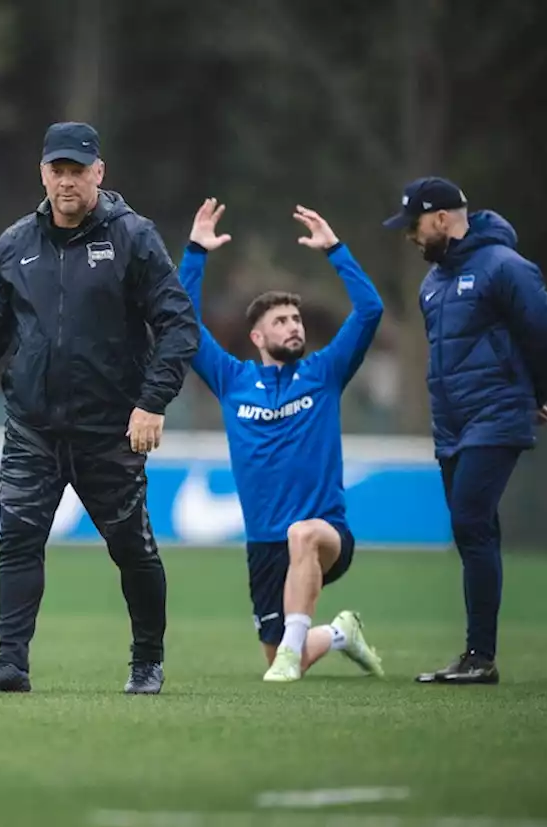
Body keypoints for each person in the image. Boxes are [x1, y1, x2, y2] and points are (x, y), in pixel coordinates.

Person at [0, 121, 200, 695]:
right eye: (58, 169)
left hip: (111, 432)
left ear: (99, 172)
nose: (68, 180)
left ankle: (146, 661)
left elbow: (178, 324)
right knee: (18, 541)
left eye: (79, 170)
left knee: (132, 549)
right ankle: (11, 664)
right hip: (33, 428)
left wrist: (152, 402)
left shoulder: (134, 237)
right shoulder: (15, 244)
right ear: (43, 173)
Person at [179, 198, 386, 682]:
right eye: (281, 321)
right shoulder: (233, 380)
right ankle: (339, 634)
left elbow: (370, 310)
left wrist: (335, 250)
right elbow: (183, 326)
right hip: (264, 545)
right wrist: (195, 252)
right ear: (256, 336)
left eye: (296, 320)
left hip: (325, 536)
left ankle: (293, 655)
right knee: (273, 656)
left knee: (303, 533)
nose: (293, 327)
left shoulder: (324, 372)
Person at [382, 177, 547, 685]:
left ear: (442, 218)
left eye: (415, 225)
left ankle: (479, 656)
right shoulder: (432, 284)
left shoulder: (504, 267)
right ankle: (477, 655)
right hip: (452, 425)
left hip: (494, 415)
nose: (411, 237)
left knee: (469, 519)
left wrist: (534, 395)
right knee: (474, 529)